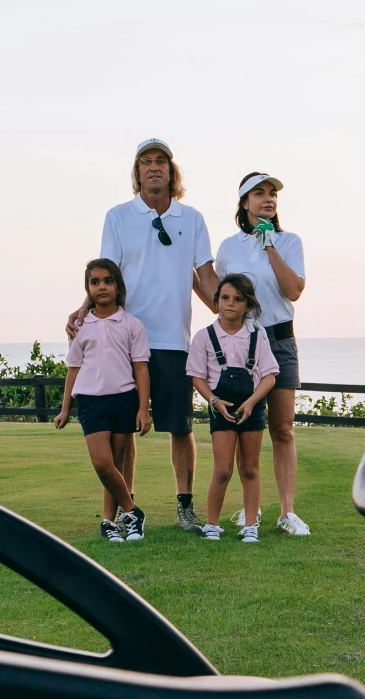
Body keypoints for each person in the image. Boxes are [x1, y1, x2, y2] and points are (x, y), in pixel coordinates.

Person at [85, 138, 218, 531]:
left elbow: (205, 276)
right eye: (146, 162)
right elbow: (105, 271)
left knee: (181, 426)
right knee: (124, 433)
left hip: (174, 339)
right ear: (137, 173)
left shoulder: (191, 218)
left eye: (161, 161)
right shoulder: (118, 216)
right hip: (126, 338)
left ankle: (184, 508)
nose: (154, 167)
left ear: (172, 171)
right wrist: (84, 307)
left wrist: (235, 311)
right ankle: (128, 510)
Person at [213, 171, 309, 536]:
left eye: (272, 194)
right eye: (259, 194)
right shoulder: (229, 247)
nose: (267, 199)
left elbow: (294, 290)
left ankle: (287, 512)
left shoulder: (289, 241)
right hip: (243, 342)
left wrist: (270, 246)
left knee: (282, 428)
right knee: (244, 426)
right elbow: (222, 300)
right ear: (244, 203)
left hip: (280, 339)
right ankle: (249, 508)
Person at [51, 259, 152, 542]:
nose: (101, 286)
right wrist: (65, 408)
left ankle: (109, 521)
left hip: (124, 399)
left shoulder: (132, 325)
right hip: (91, 402)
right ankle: (133, 512)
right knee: (102, 463)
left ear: (118, 286)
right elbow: (74, 368)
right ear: (88, 288)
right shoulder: (80, 327)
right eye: (94, 282)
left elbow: (141, 368)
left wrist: (144, 409)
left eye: (107, 281)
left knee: (116, 467)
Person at [188, 273, 280, 543]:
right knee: (223, 469)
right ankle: (212, 524)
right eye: (225, 298)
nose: (230, 304)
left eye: (238, 300)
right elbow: (197, 376)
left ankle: (251, 524)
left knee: (250, 468)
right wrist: (214, 401)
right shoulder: (204, 337)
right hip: (221, 409)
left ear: (248, 306)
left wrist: (252, 402)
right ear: (217, 301)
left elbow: (270, 375)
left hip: (252, 408)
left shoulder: (256, 335)